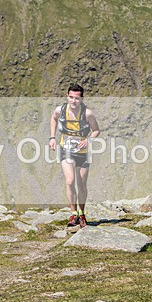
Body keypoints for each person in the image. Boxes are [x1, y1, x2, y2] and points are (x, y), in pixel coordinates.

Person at [49, 84, 100, 228]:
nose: (73, 101)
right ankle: (73, 214)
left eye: (77, 98)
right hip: (66, 149)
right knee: (70, 181)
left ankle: (82, 213)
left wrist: (88, 140)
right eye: (71, 97)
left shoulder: (87, 113)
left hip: (83, 152)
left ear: (81, 99)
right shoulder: (60, 110)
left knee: (81, 184)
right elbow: (53, 119)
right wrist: (52, 138)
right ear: (67, 97)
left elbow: (96, 130)